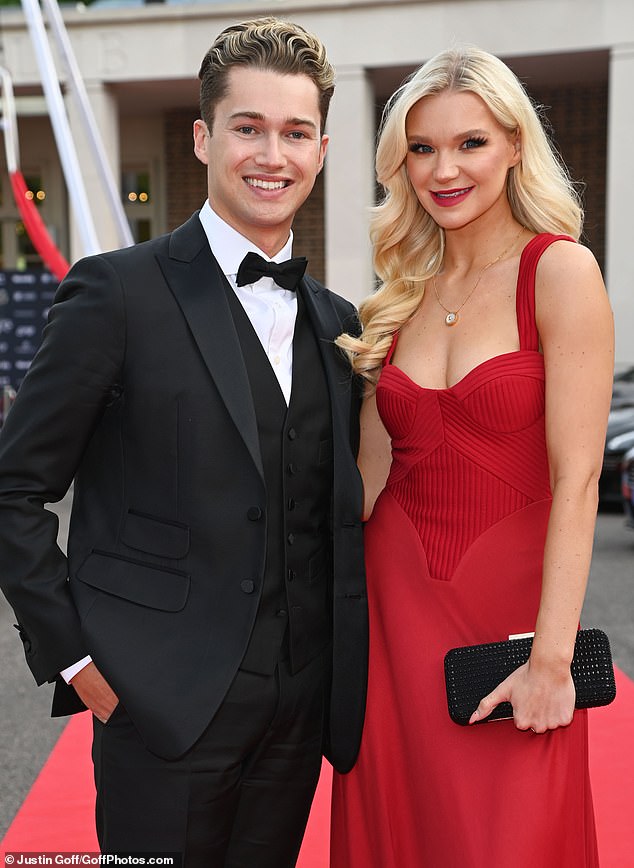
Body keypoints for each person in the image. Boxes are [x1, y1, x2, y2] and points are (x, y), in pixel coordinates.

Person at [0, 17, 368, 866]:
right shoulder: (115, 293)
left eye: (295, 132)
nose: (272, 154)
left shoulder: (337, 325)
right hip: (154, 706)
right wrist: (76, 661)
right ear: (204, 138)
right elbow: (14, 490)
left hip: (296, 708)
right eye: (248, 128)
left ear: (320, 149)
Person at [331, 45, 613, 867]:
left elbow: (580, 477)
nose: (443, 169)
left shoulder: (558, 272)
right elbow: (366, 487)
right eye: (421, 149)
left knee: (510, 837)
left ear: (516, 146)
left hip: (512, 630)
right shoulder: (396, 298)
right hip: (392, 626)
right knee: (404, 835)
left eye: (470, 143)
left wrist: (552, 658)